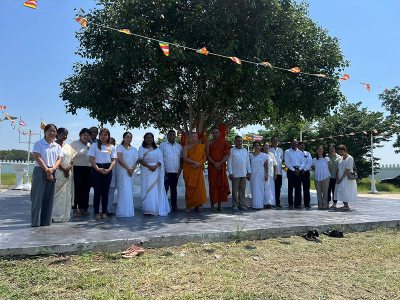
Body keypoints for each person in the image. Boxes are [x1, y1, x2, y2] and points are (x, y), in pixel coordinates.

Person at [31, 124, 63, 227]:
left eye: (54, 131)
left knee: (49, 197)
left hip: (52, 170)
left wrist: (52, 169)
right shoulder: (39, 144)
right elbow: (37, 157)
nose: (53, 133)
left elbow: (59, 159)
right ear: (45, 131)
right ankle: (35, 222)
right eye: (50, 131)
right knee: (37, 197)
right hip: (40, 170)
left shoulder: (57, 146)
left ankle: (45, 221)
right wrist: (46, 170)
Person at [88, 128, 117, 220]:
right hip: (97, 169)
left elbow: (114, 160)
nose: (103, 137)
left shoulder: (111, 147)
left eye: (105, 135)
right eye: (102, 135)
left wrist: (109, 169)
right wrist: (97, 168)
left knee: (105, 192)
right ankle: (97, 212)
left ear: (108, 136)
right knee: (97, 192)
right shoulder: (94, 145)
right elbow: (91, 158)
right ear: (99, 136)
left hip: (107, 169)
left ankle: (104, 212)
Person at [138, 133, 170, 216]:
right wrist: (149, 166)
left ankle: (154, 208)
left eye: (151, 138)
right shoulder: (141, 148)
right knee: (146, 188)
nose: (149, 139)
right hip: (146, 171)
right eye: (147, 138)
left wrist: (155, 166)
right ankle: (147, 209)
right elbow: (140, 160)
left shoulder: (157, 149)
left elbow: (160, 160)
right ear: (144, 139)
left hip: (155, 171)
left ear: (153, 139)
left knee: (154, 190)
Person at [52, 128, 76, 222]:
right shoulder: (53, 145)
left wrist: (69, 167)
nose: (65, 136)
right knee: (56, 192)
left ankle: (65, 215)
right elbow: (54, 159)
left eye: (66, 135)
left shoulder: (68, 146)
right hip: (57, 172)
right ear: (57, 134)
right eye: (63, 134)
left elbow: (72, 158)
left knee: (66, 193)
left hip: (68, 174)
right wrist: (63, 169)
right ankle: (55, 215)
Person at [205, 127, 231, 211]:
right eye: (214, 133)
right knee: (212, 185)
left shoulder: (224, 143)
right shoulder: (208, 143)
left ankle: (220, 205)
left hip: (221, 166)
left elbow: (227, 154)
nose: (215, 134)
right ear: (212, 134)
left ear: (220, 134)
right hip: (212, 167)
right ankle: (212, 205)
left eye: (217, 133)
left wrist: (220, 163)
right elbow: (207, 155)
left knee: (221, 185)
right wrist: (215, 163)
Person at [182, 132, 208, 212]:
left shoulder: (200, 146)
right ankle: (188, 206)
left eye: (195, 137)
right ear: (189, 138)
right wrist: (195, 162)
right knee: (189, 188)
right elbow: (185, 158)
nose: (194, 138)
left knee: (198, 189)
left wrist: (198, 164)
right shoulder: (185, 147)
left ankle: (197, 206)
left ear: (197, 138)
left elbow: (204, 158)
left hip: (198, 169)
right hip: (189, 169)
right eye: (192, 137)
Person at [159, 130, 183, 211]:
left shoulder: (179, 146)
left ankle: (174, 206)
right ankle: (162, 206)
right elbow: (160, 158)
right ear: (167, 136)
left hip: (176, 172)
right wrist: (164, 169)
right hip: (166, 171)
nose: (172, 136)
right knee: (164, 189)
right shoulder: (163, 145)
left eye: (173, 135)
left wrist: (180, 169)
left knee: (174, 189)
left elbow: (181, 159)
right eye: (170, 134)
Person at [70, 128, 92, 217]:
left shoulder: (90, 145)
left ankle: (83, 208)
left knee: (86, 190)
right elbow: (69, 155)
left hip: (88, 169)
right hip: (77, 168)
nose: (86, 137)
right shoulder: (75, 143)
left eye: (88, 135)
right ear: (80, 135)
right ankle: (75, 209)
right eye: (84, 135)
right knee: (77, 190)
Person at [115, 132, 138, 218]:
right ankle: (122, 212)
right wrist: (128, 168)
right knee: (123, 189)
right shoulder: (120, 147)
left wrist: (132, 169)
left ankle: (129, 211)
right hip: (122, 171)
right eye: (127, 137)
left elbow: (136, 161)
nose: (129, 139)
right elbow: (119, 159)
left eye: (130, 137)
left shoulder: (134, 149)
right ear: (123, 138)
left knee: (129, 190)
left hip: (131, 171)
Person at [227, 136, 251, 211]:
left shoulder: (244, 150)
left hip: (243, 173)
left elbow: (247, 162)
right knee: (234, 191)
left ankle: (241, 205)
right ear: (234, 142)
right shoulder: (232, 150)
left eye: (241, 141)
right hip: (235, 173)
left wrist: (249, 172)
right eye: (238, 141)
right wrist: (230, 173)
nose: (239, 142)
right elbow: (229, 163)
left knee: (242, 190)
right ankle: (235, 205)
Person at [334, 145, 358, 210]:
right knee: (340, 190)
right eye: (339, 152)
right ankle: (345, 204)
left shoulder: (350, 158)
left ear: (345, 150)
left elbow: (348, 169)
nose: (340, 153)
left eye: (341, 151)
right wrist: (337, 178)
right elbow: (338, 169)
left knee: (344, 190)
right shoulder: (341, 158)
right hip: (340, 176)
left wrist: (341, 178)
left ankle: (346, 205)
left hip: (346, 177)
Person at [250, 141, 268, 209]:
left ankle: (260, 205)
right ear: (253, 147)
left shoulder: (264, 155)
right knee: (254, 189)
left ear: (260, 146)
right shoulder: (250, 155)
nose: (257, 147)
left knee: (260, 189)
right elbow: (249, 165)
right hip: (253, 174)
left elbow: (266, 166)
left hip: (260, 174)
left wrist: (266, 174)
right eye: (255, 145)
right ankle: (255, 205)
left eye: (258, 145)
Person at [284, 139, 303, 209]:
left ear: (298, 143)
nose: (295, 144)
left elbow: (302, 162)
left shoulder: (300, 152)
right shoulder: (287, 151)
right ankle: (290, 203)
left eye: (296, 142)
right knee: (290, 187)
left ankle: (298, 203)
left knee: (298, 188)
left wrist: (299, 169)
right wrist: (294, 170)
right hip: (291, 170)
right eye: (293, 142)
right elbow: (287, 162)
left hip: (299, 169)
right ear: (291, 143)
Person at [312, 145, 331, 209]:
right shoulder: (314, 160)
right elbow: (314, 168)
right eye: (318, 149)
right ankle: (320, 204)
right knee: (319, 192)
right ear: (317, 151)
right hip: (317, 177)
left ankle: (325, 204)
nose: (320, 151)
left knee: (325, 191)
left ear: (323, 151)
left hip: (325, 177)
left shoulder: (326, 159)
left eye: (321, 149)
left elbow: (329, 168)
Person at [269, 136, 284, 208]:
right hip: (271, 173)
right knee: (271, 188)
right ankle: (271, 202)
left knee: (278, 188)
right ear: (271, 141)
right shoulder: (269, 150)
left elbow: (281, 159)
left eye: (276, 140)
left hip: (279, 172)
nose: (275, 141)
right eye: (274, 140)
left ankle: (278, 202)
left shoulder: (280, 150)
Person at [105, 137, 117, 215]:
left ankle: (109, 210)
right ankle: (100, 210)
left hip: (113, 176)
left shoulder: (116, 151)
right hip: (104, 174)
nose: (111, 144)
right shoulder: (104, 151)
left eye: (112, 142)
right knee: (102, 194)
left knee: (111, 194)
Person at [263, 142, 277, 209]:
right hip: (263, 175)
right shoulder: (261, 154)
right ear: (263, 147)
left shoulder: (271, 154)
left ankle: (269, 203)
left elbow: (275, 164)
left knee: (270, 189)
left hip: (271, 175)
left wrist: (275, 174)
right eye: (265, 146)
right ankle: (263, 203)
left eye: (267, 146)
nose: (266, 147)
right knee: (264, 189)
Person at [298, 142, 312, 209]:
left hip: (306, 172)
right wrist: (300, 169)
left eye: (303, 145)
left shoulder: (307, 153)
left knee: (306, 188)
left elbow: (310, 162)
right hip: (298, 172)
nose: (302, 147)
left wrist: (305, 169)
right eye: (301, 145)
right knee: (298, 188)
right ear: (298, 146)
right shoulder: (296, 153)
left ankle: (307, 204)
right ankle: (298, 204)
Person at [327, 143, 341, 209]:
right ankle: (327, 202)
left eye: (332, 148)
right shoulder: (326, 157)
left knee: (335, 191)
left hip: (335, 176)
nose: (331, 150)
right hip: (327, 177)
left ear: (335, 149)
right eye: (330, 148)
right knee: (327, 190)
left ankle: (335, 203)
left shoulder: (339, 157)